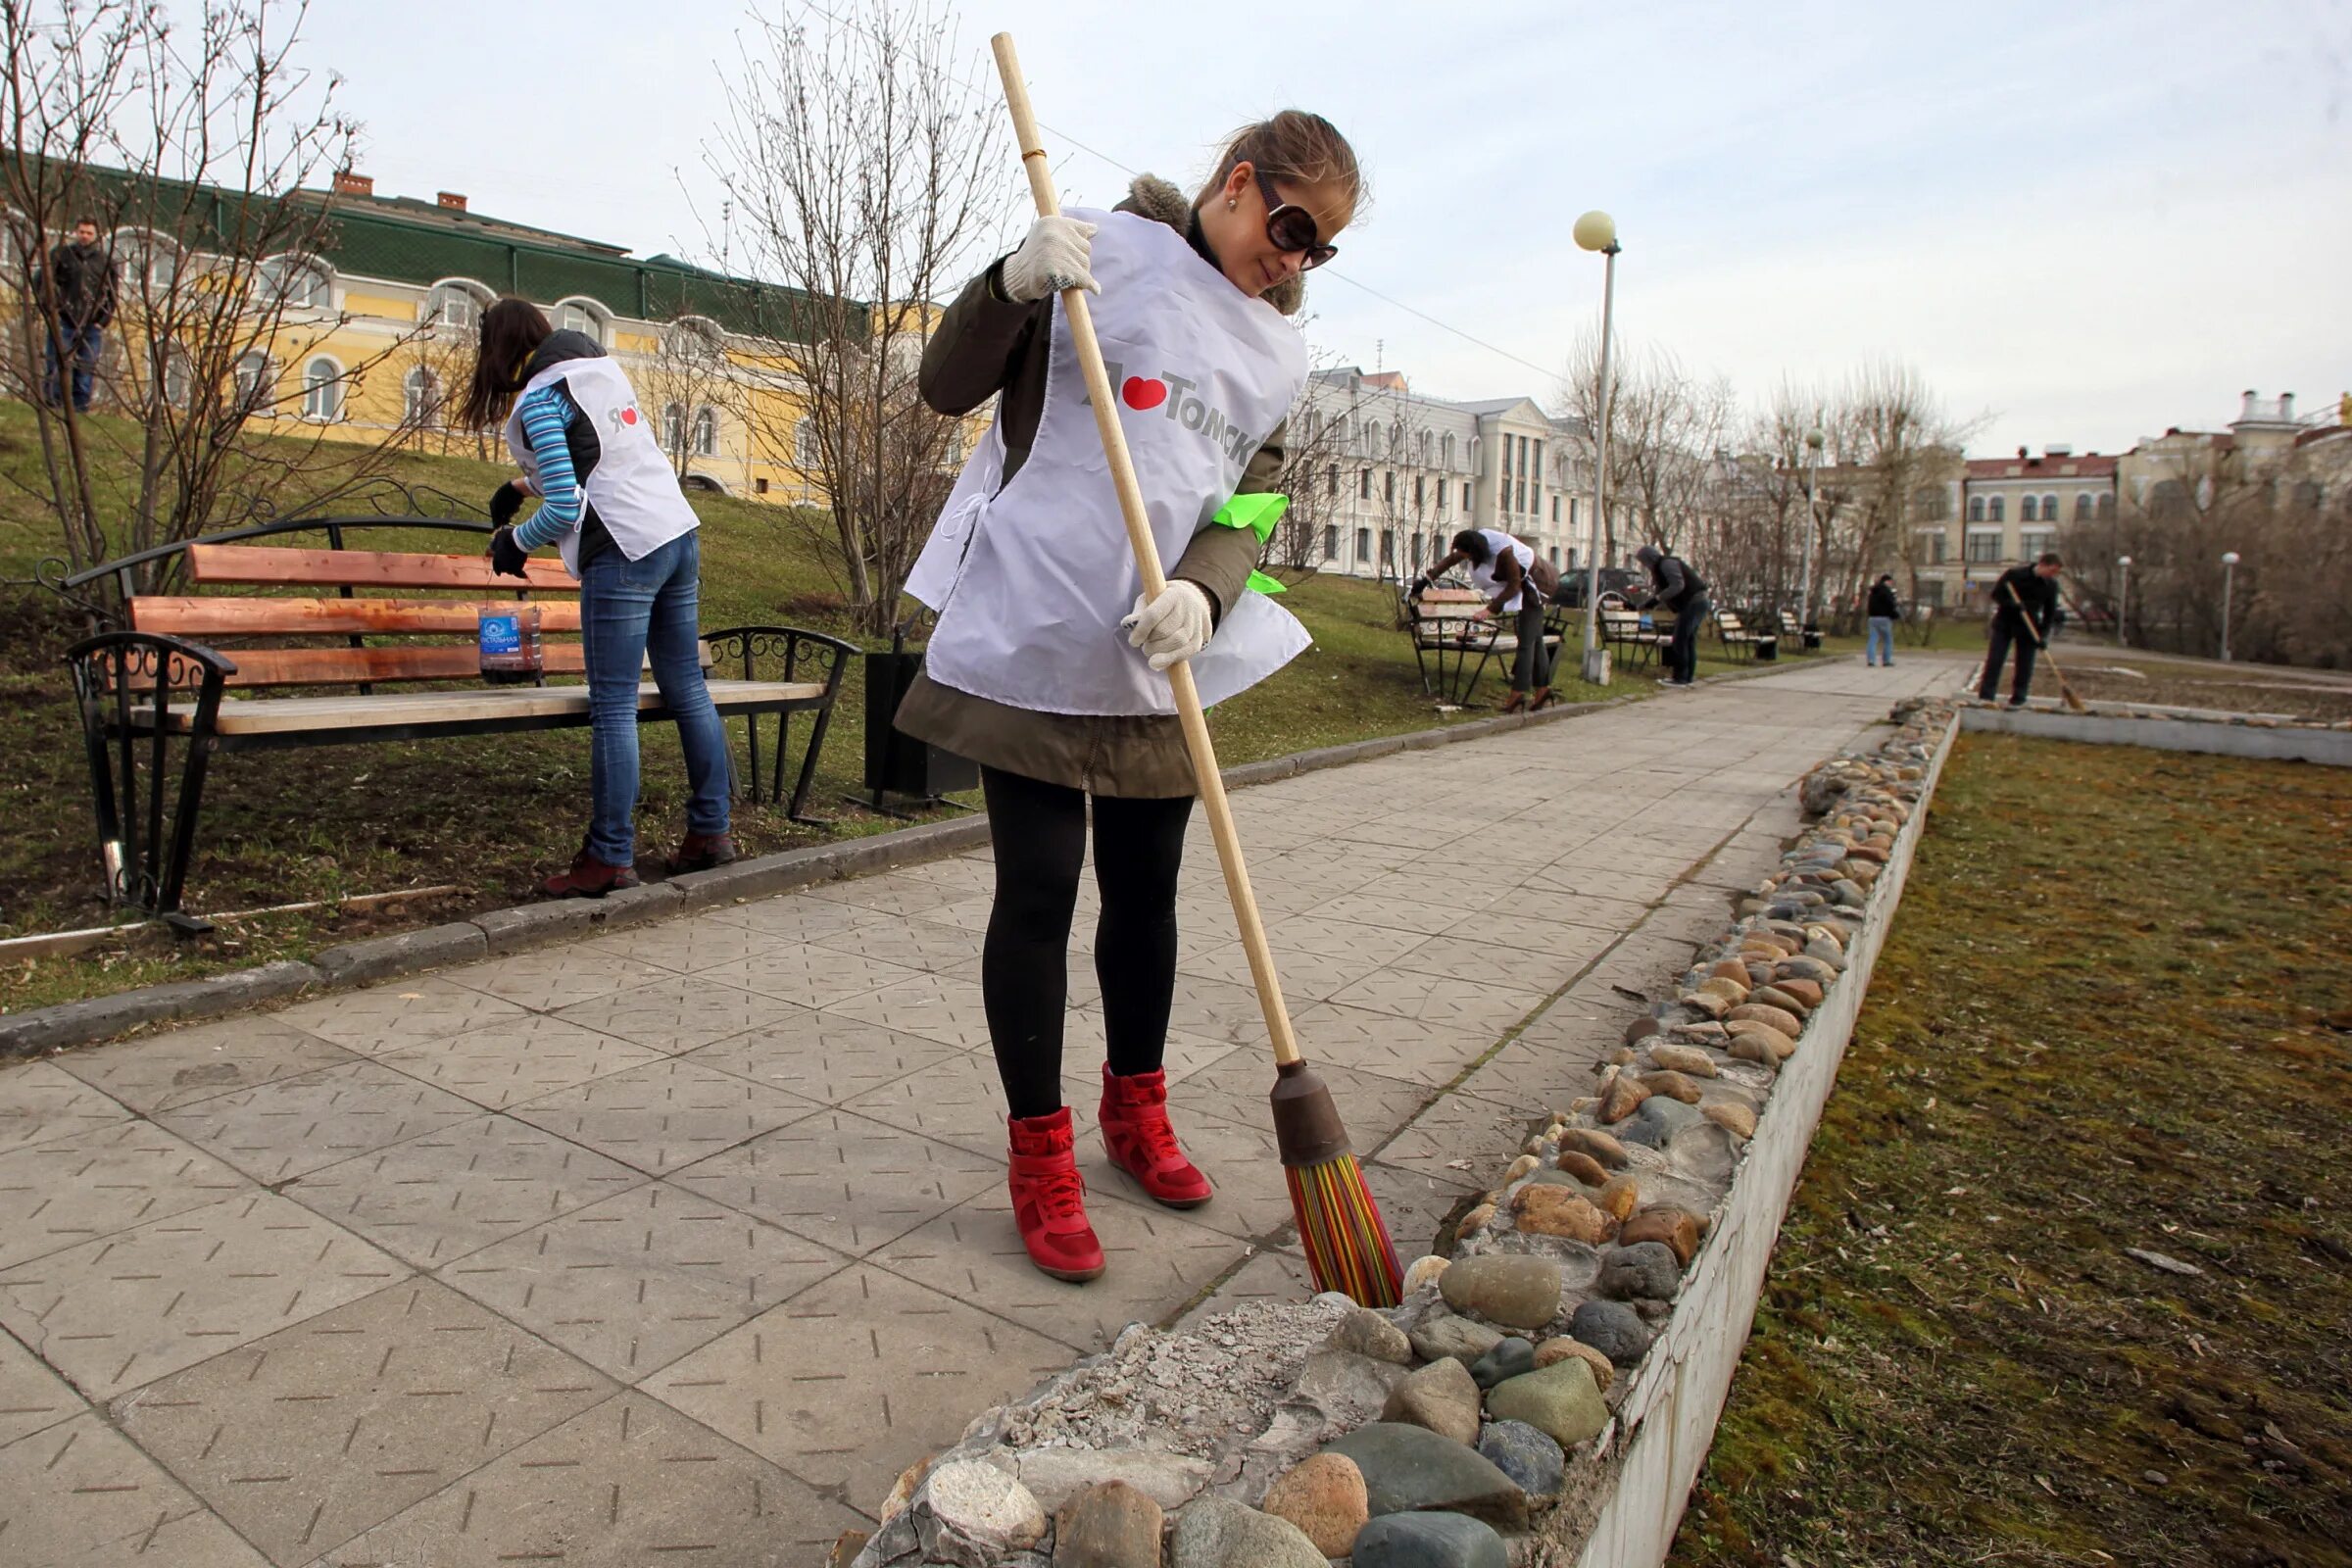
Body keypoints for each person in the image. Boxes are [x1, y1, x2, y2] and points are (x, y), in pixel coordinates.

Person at [900, 112, 1359, 1284]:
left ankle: (1135, 1112)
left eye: (1324, 249)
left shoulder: (1275, 353)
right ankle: (1040, 1153)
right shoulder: (1093, 253)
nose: (1296, 260)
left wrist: (1208, 591)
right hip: (1036, 626)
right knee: (1041, 890)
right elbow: (943, 383)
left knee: (1147, 893)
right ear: (1239, 183)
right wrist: (1008, 282)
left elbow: (1253, 502)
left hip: (1157, 657)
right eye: (1293, 227)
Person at [457, 298, 736, 897]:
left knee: (613, 706)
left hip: (625, 548)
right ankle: (712, 832)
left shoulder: (537, 400)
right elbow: (598, 459)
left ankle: (609, 857)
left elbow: (566, 505)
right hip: (676, 533)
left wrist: (515, 544)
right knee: (687, 686)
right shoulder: (599, 371)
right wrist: (515, 485)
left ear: (498, 349)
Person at [1415, 527, 1554, 711]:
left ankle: (1518, 694)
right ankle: (1543, 691)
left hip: (1537, 582)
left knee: (1526, 641)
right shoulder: (1475, 541)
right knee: (1535, 640)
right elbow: (1451, 560)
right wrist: (1426, 580)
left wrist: (1488, 610)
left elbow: (1514, 586)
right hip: (1524, 582)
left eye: (1467, 555)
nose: (1465, 558)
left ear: (1474, 551)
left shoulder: (1504, 552)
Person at [34, 218, 115, 414]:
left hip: (92, 322)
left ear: (96, 235)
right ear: (75, 232)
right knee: (55, 363)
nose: (85, 236)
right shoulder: (61, 255)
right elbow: (41, 280)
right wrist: (49, 309)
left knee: (86, 368)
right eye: (82, 232)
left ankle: (80, 408)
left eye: (89, 233)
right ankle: (52, 404)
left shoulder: (105, 261)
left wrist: (103, 321)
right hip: (63, 319)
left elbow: (112, 293)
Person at [1979, 551, 2064, 707]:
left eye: (2056, 573)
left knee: (2025, 665)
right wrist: (2012, 604)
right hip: (2005, 623)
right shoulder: (2014, 575)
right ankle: (1986, 697)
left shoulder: (2051, 585)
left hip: (2029, 627)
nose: (2053, 575)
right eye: (2051, 571)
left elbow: (2049, 613)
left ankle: (2019, 698)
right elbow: (1996, 594)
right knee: (1995, 661)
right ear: (2042, 564)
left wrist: (2044, 635)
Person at [1635, 544, 1710, 687]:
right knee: (1688, 640)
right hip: (1696, 602)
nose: (1645, 565)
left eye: (1644, 562)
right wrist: (1643, 605)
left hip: (1694, 602)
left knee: (1680, 640)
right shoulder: (1659, 570)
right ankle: (1687, 677)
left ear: (1649, 558)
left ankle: (1680, 678)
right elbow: (1659, 593)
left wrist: (1657, 599)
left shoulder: (1667, 564)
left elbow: (1677, 585)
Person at [1866, 573, 1900, 667]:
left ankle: (1871, 660)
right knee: (1888, 640)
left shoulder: (1873, 591)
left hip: (1872, 618)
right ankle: (1886, 660)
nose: (1891, 584)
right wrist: (1895, 615)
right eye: (1891, 582)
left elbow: (1869, 605)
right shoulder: (1887, 592)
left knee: (1872, 639)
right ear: (1887, 581)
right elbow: (1891, 605)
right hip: (1884, 618)